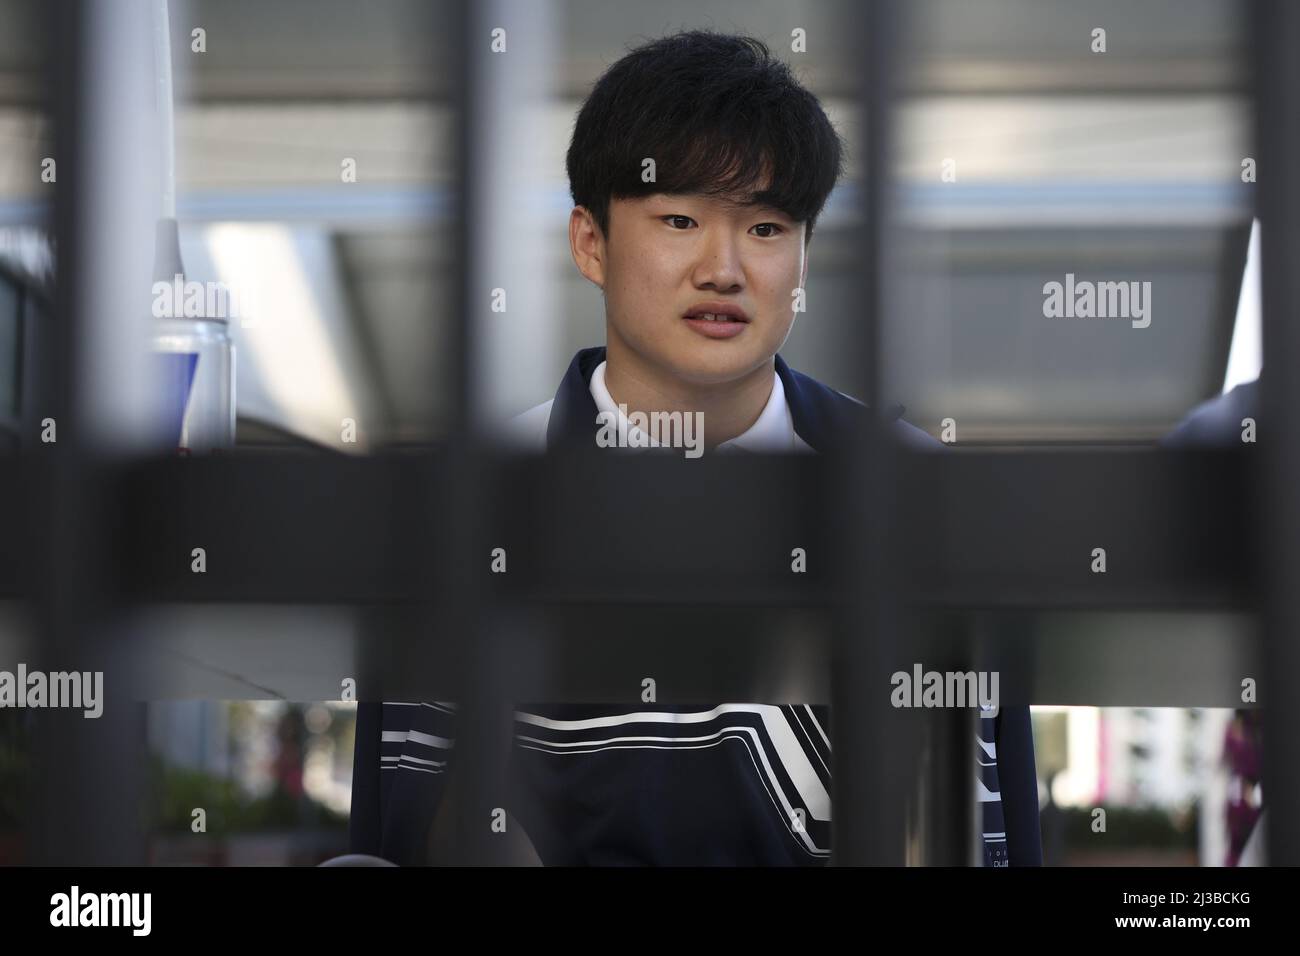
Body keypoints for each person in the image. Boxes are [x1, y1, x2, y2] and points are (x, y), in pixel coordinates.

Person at [350, 30, 1041, 866]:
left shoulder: (917, 493)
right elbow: (407, 828)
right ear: (590, 242)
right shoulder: (475, 501)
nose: (723, 268)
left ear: (803, 256)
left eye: (766, 227)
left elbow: (983, 831)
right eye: (679, 218)